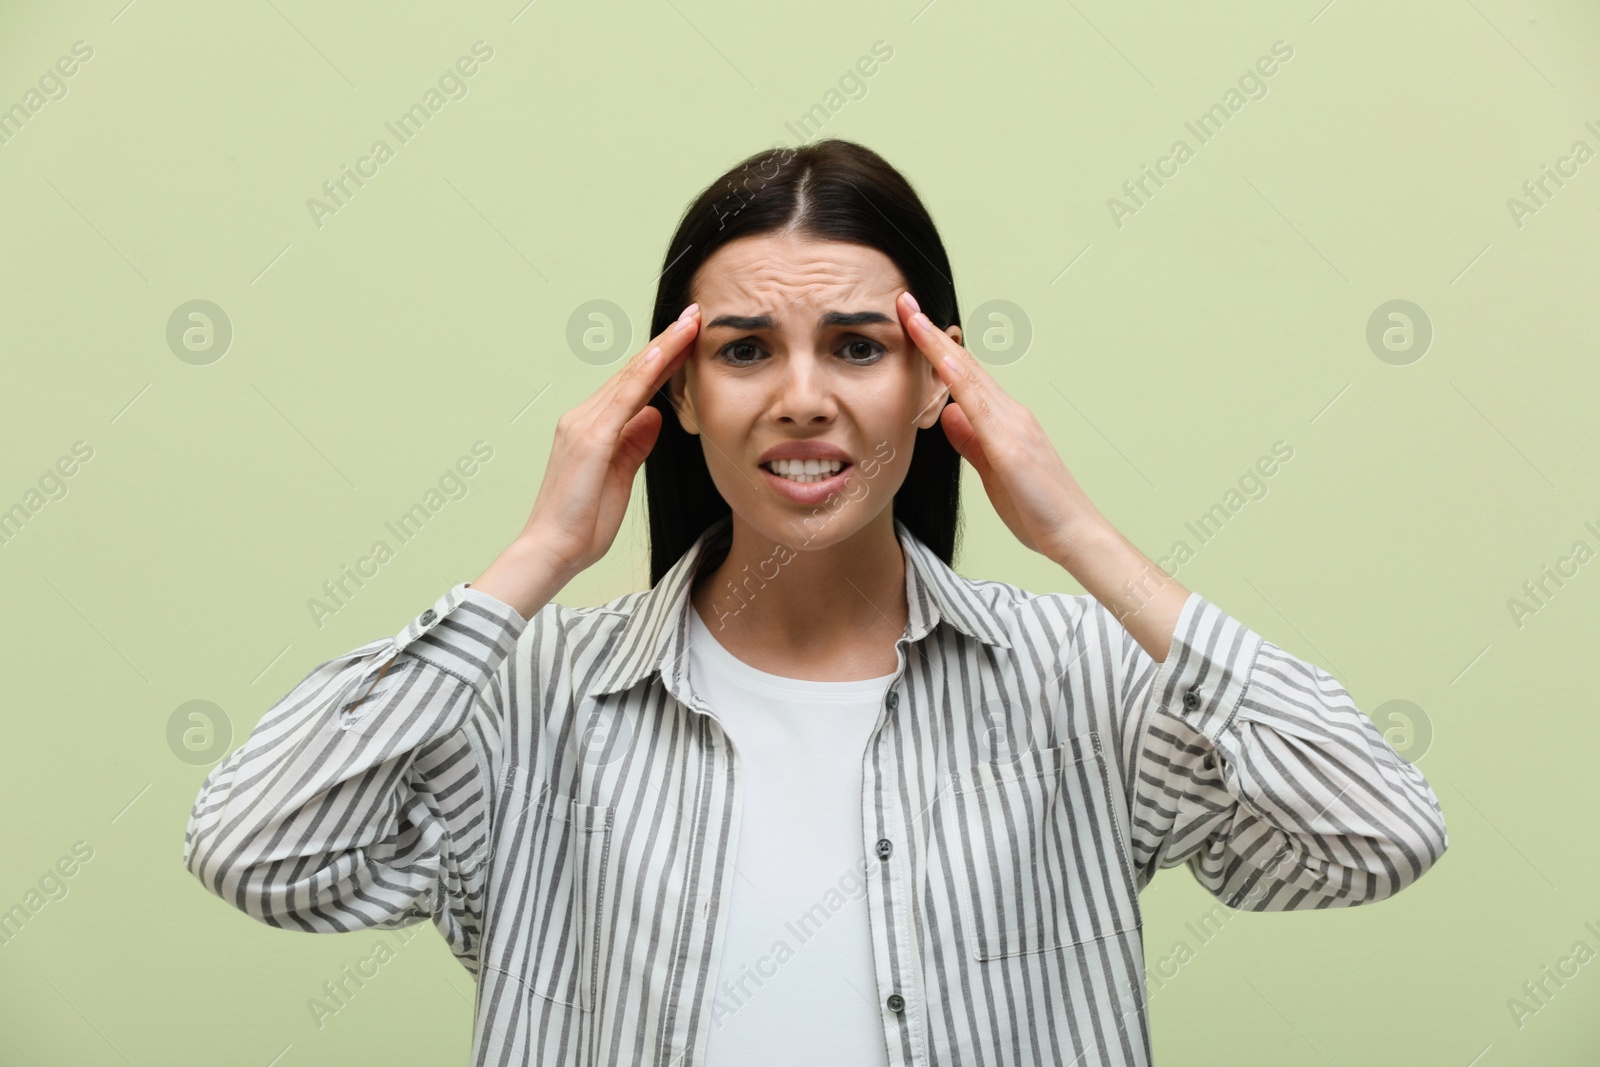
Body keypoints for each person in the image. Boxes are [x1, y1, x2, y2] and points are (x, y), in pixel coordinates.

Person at [183, 139, 1448, 1067]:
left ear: (934, 385)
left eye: (857, 346)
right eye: (742, 351)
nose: (801, 397)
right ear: (675, 395)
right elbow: (258, 849)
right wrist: (538, 556)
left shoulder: (1081, 680)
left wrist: (1082, 539)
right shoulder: (535, 695)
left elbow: (1375, 829)